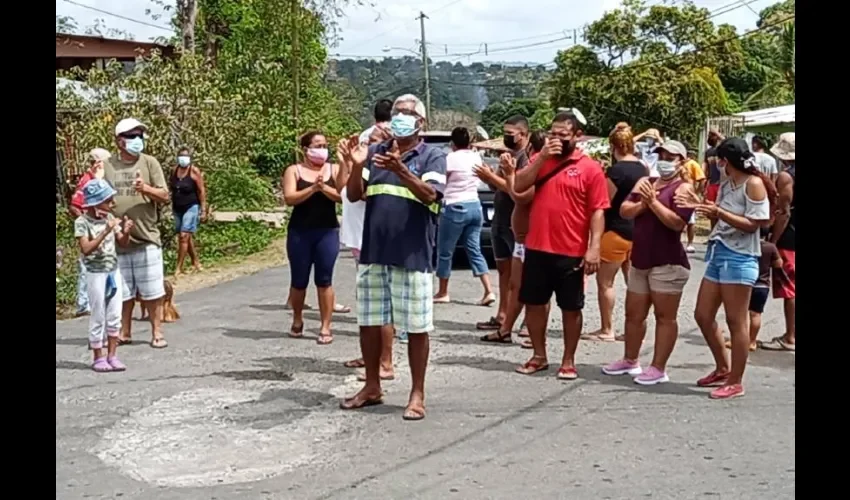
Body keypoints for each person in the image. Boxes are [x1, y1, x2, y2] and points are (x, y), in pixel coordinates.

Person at [341, 93, 446, 421]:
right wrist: (356, 167)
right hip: (374, 253)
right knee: (369, 323)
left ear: (421, 123)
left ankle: (417, 394)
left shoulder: (432, 157)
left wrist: (401, 169)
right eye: (396, 112)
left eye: (407, 113)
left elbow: (431, 196)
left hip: (412, 255)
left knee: (416, 327)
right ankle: (372, 386)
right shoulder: (375, 152)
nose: (399, 117)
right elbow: (355, 195)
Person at [512, 109, 609, 380]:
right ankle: (539, 355)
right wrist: (542, 155)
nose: (557, 139)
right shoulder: (540, 159)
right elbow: (519, 185)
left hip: (571, 250)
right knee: (534, 303)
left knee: (571, 307)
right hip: (537, 246)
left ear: (577, 136)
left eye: (563, 135)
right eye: (553, 133)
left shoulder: (590, 168)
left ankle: (568, 360)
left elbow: (598, 211)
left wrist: (595, 247)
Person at [677, 137, 774, 399]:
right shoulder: (726, 183)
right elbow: (719, 215)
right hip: (719, 251)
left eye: (720, 160)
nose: (717, 164)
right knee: (703, 314)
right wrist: (708, 210)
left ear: (727, 161)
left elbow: (756, 224)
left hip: (740, 257)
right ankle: (722, 367)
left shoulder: (753, 184)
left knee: (736, 321)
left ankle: (736, 380)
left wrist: (719, 213)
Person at [602, 153, 697, 385]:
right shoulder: (647, 183)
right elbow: (624, 209)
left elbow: (677, 223)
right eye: (662, 155)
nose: (665, 160)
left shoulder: (684, 188)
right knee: (634, 314)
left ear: (681, 160)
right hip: (641, 259)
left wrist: (652, 203)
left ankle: (658, 367)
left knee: (665, 317)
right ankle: (630, 359)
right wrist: (644, 203)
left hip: (668, 262)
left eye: (671, 157)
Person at [105, 118, 171, 349]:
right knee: (122, 292)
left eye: (140, 135)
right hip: (117, 238)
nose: (137, 140)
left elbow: (164, 195)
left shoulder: (150, 163)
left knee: (153, 290)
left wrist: (146, 189)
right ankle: (125, 332)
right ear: (119, 141)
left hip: (146, 236)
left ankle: (157, 332)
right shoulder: (107, 165)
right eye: (132, 136)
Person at [339, 125, 397, 380]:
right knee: (367, 304)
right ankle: (370, 355)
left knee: (379, 305)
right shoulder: (365, 164)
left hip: (371, 241)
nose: (369, 144)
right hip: (357, 240)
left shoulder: (381, 168)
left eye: (374, 141)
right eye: (367, 141)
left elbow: (360, 195)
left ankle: (385, 362)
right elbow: (344, 191)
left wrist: (360, 165)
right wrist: (347, 162)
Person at [582, 123, 646, 343]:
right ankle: (633, 327)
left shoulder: (616, 171)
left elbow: (604, 201)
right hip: (636, 231)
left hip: (615, 230)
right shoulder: (642, 168)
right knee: (635, 285)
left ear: (613, 146)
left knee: (605, 283)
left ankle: (607, 329)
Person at [282, 131, 344, 345]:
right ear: (306, 149)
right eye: (317, 145)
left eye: (325, 145)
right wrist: (313, 188)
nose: (322, 149)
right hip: (300, 232)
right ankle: (297, 319)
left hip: (327, 231)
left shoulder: (333, 169)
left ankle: (326, 325)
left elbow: (344, 197)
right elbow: (290, 198)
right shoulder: (294, 171)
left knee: (324, 280)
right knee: (299, 281)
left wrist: (324, 187)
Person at [486, 130, 548, 347]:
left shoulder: (538, 167)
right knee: (516, 284)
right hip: (521, 237)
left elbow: (519, 196)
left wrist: (510, 175)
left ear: (530, 145)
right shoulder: (532, 164)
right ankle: (505, 329)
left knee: (534, 287)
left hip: (533, 236)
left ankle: (532, 331)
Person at [473, 115, 530, 333]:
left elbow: (516, 191)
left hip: (517, 222)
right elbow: (498, 185)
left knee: (521, 275)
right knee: (504, 271)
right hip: (500, 219)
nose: (506, 138)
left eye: (510, 134)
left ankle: (527, 320)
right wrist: (488, 175)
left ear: (523, 134)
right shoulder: (508, 155)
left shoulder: (526, 159)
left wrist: (493, 176)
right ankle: (502, 315)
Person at [74, 179, 134, 372]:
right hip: (95, 273)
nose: (111, 204)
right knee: (98, 313)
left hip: (112, 270)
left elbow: (122, 243)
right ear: (96, 203)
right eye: (107, 200)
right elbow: (86, 249)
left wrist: (125, 232)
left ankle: (113, 355)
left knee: (114, 312)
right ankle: (98, 356)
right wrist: (104, 232)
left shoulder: (109, 217)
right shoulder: (82, 222)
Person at [433, 127, 494, 305]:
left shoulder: (450, 158)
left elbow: (441, 180)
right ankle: (489, 290)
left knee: (445, 251)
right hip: (475, 206)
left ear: (452, 143)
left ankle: (443, 292)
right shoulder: (476, 156)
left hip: (454, 206)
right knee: (474, 249)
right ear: (470, 141)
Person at [761, 132, 796, 352]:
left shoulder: (786, 177)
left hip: (790, 237)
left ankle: (790, 336)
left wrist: (773, 240)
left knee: (790, 287)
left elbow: (784, 212)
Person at [69, 148, 112, 317]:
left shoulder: (100, 179)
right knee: (86, 265)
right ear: (98, 163)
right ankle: (83, 304)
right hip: (91, 230)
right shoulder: (87, 181)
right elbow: (74, 206)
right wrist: (88, 224)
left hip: (103, 228)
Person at [725, 232, 781, 352]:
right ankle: (752, 341)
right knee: (756, 315)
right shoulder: (770, 247)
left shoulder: (746, 245)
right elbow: (779, 264)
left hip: (745, 283)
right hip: (762, 286)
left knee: (741, 314)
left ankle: (737, 340)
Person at [169, 146, 207, 275]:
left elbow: (201, 191)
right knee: (186, 236)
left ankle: (178, 267)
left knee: (183, 235)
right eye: (181, 156)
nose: (183, 159)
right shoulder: (174, 171)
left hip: (191, 206)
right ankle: (195, 261)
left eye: (186, 156)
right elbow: (171, 188)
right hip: (177, 207)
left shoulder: (194, 171)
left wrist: (203, 210)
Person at [681, 143, 706, 253]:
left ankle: (690, 243)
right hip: (678, 194)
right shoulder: (677, 164)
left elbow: (702, 179)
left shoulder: (693, 164)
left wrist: (697, 192)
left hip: (689, 196)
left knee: (690, 221)